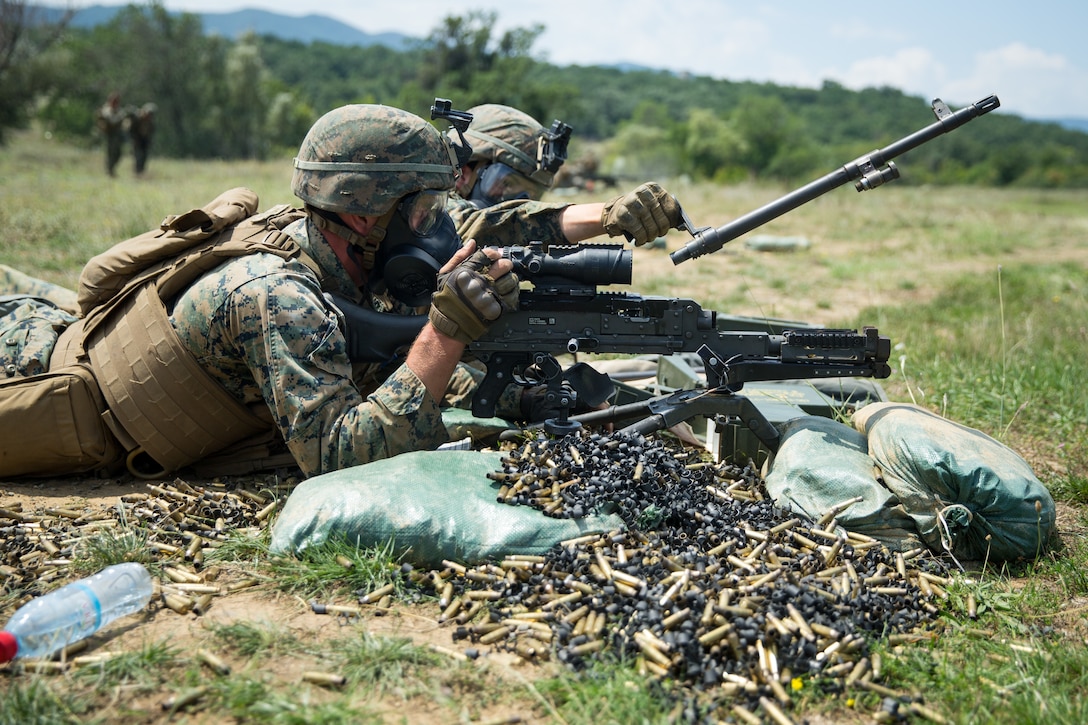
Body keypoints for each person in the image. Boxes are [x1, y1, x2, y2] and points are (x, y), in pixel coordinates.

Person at [4, 104, 525, 480]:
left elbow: (381, 364)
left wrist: (520, 389)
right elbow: (339, 458)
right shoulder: (280, 295)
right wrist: (444, 332)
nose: (433, 228)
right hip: (34, 369)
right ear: (365, 211)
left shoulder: (342, 260)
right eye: (423, 210)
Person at [446, 103, 682, 248]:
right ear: (464, 173)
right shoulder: (430, 207)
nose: (517, 204)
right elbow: (478, 227)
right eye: (508, 186)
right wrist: (607, 214)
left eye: (531, 197)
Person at [94, 92, 127, 177]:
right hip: (110, 135)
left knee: (118, 153)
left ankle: (111, 169)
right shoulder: (106, 110)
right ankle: (110, 170)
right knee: (111, 153)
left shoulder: (119, 111)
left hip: (118, 135)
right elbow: (110, 121)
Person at [129, 103, 156, 176]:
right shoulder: (137, 120)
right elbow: (132, 130)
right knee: (138, 157)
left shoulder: (150, 122)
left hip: (145, 142)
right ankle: (137, 173)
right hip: (137, 142)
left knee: (144, 157)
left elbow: (151, 132)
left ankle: (141, 172)